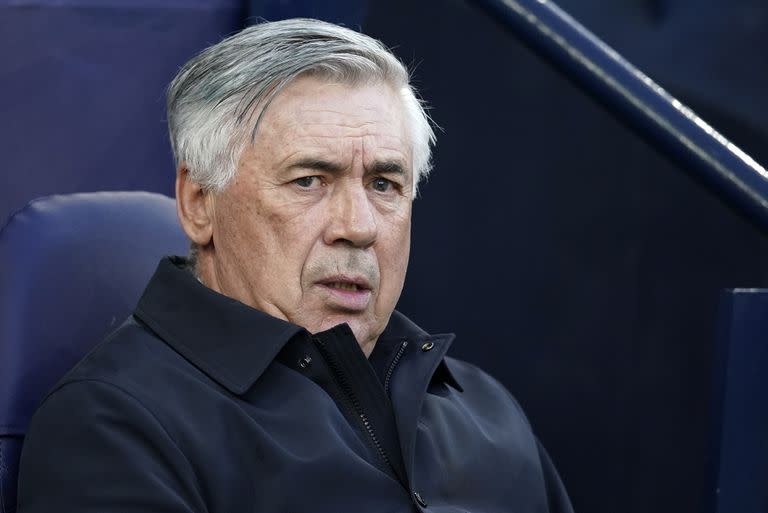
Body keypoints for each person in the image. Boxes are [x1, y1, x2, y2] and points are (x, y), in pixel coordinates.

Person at [18, 18, 573, 513]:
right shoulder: (117, 426)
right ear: (199, 202)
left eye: (384, 184)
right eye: (309, 180)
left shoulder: (483, 410)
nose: (358, 226)